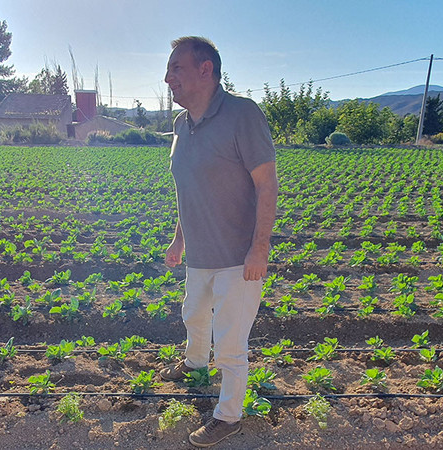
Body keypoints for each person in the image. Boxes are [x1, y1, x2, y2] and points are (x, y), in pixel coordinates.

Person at [160, 36, 278, 448]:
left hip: (237, 258)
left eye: (176, 68)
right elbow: (189, 189)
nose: (168, 77)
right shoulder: (180, 125)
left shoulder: (242, 115)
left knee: (229, 343)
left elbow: (267, 186)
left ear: (205, 69)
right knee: (194, 315)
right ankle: (194, 363)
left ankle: (228, 417)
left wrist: (259, 248)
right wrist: (179, 240)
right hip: (200, 254)